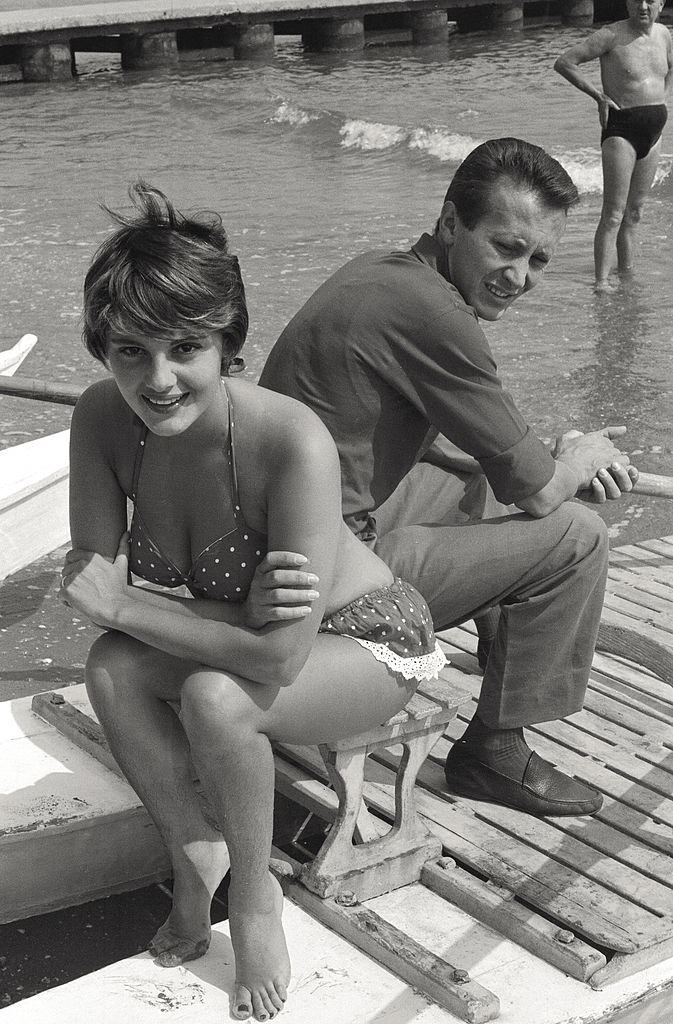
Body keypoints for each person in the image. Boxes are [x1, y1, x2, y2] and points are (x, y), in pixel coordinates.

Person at [59, 183, 447, 1023]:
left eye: (184, 348)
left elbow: (278, 657)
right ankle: (191, 844)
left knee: (215, 695)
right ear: (103, 352)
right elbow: (91, 589)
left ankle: (258, 896)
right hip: (258, 629)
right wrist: (217, 617)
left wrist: (136, 607)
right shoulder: (99, 420)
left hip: (370, 640)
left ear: (227, 341)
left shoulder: (287, 439)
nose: (156, 380)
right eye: (129, 352)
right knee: (112, 671)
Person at [260, 137, 640, 822]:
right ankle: (493, 750)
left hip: (277, 549)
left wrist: (542, 463)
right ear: (448, 223)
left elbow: (486, 458)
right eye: (504, 247)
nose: (517, 276)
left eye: (537, 260)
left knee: (490, 489)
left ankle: (508, 670)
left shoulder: (381, 271)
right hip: (318, 589)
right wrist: (574, 461)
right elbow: (541, 494)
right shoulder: (436, 316)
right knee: (576, 534)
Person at [554, 0, 672, 292]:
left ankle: (627, 275)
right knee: (614, 213)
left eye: (649, 0)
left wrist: (662, 101)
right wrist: (598, 96)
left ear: (661, 3)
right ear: (627, 3)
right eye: (635, 0)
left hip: (654, 131)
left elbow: (668, 69)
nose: (642, 6)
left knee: (635, 213)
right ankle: (601, 281)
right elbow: (565, 62)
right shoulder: (610, 35)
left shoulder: (664, 34)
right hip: (621, 130)